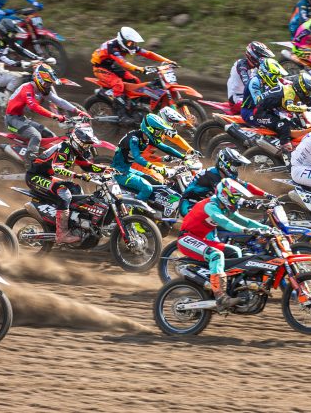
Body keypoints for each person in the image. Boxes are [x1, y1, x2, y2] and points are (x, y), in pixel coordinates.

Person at [177, 178, 274, 308]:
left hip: (202, 240)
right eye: (234, 197)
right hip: (186, 238)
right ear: (224, 195)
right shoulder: (211, 206)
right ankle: (220, 296)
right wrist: (245, 230)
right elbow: (226, 223)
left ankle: (233, 289)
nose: (237, 201)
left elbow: (246, 221)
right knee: (216, 255)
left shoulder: (225, 208)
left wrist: (268, 229)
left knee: (235, 251)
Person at [26, 124, 110, 244]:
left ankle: (74, 224)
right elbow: (57, 168)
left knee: (76, 189)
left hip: (47, 177)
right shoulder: (64, 148)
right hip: (35, 177)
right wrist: (78, 175)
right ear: (77, 141)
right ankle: (62, 234)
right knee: (64, 195)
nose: (87, 147)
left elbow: (87, 166)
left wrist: (107, 169)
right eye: (85, 144)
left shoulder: (73, 151)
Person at [5, 62, 84, 166]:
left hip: (21, 118)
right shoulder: (27, 89)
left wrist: (77, 111)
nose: (49, 86)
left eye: (50, 83)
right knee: (36, 136)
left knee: (51, 136)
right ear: (39, 80)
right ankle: (30, 164)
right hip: (12, 120)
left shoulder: (40, 89)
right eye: (47, 83)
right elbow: (34, 106)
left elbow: (59, 101)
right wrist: (54, 116)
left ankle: (48, 162)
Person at [90, 27, 174, 118]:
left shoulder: (127, 45)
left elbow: (148, 53)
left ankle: (134, 107)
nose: (132, 45)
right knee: (118, 84)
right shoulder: (111, 47)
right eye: (130, 43)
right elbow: (123, 63)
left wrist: (168, 61)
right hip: (100, 67)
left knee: (134, 80)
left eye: (133, 43)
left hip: (111, 66)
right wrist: (139, 68)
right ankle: (121, 114)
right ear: (123, 40)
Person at [113, 113, 186, 202]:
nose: (160, 134)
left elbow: (165, 148)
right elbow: (137, 158)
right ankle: (135, 210)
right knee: (147, 188)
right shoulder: (134, 139)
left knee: (156, 182)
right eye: (158, 131)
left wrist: (183, 156)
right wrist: (153, 166)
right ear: (149, 129)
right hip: (119, 172)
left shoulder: (146, 138)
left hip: (128, 169)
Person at [180, 147, 268, 216]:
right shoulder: (212, 175)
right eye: (234, 167)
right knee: (207, 221)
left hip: (206, 204)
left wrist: (266, 195)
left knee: (230, 213)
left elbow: (245, 185)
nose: (235, 170)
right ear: (224, 163)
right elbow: (227, 195)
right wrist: (246, 202)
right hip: (189, 203)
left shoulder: (224, 175)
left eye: (236, 168)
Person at [250, 72, 311, 152]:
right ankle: (286, 150)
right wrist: (309, 109)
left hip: (271, 111)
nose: (308, 94)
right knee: (283, 126)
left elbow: (310, 102)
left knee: (294, 124)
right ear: (301, 88)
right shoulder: (289, 92)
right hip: (260, 113)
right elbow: (290, 107)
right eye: (307, 91)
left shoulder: (292, 90)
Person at [0, 18, 40, 94]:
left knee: (28, 76)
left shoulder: (6, 42)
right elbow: (0, 56)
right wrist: (17, 63)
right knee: (17, 77)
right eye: (12, 34)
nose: (14, 36)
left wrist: (38, 58)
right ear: (4, 32)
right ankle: (6, 102)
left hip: (1, 71)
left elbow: (22, 50)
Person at [227, 41, 274, 112]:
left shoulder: (257, 67)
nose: (264, 60)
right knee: (264, 108)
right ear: (254, 56)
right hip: (237, 98)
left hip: (249, 96)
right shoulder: (241, 65)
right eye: (262, 57)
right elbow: (247, 84)